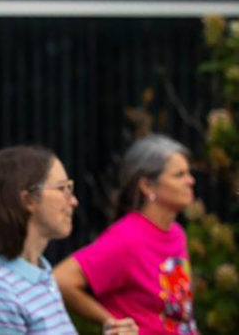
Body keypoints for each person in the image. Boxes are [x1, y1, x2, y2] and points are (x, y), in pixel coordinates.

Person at [0, 145, 134, 335]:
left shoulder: (41, 272)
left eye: (70, 188)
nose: (73, 201)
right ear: (28, 200)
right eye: (62, 188)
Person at [54, 135, 197, 334]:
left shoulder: (176, 233)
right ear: (147, 185)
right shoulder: (128, 239)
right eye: (179, 175)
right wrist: (111, 322)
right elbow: (62, 280)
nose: (190, 180)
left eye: (188, 173)